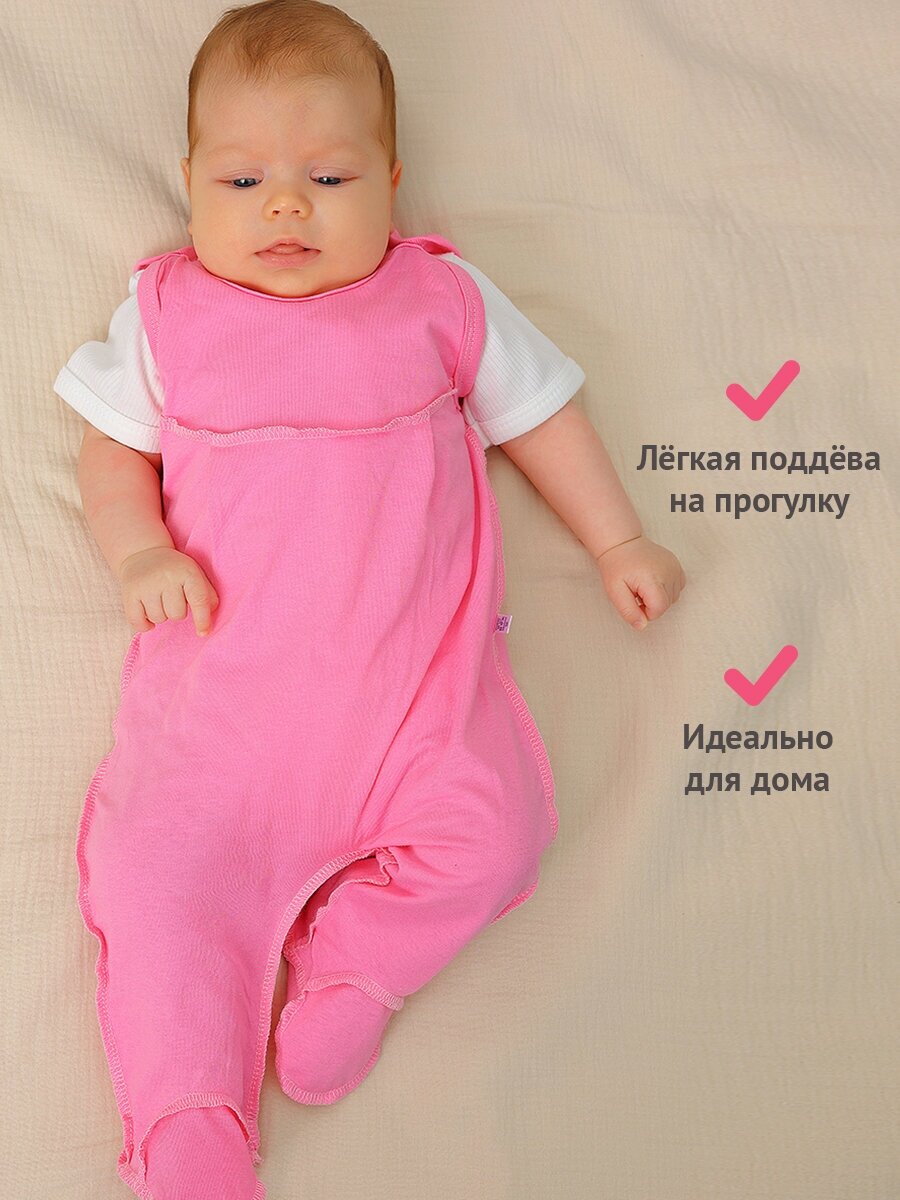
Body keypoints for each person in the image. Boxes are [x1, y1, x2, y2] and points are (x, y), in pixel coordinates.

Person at [54, 2, 686, 1196]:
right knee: (156, 888)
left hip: (411, 716)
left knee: (498, 831)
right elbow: (109, 452)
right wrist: (138, 553)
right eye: (243, 180)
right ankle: (189, 1117)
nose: (285, 207)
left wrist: (618, 540)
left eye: (330, 177)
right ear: (189, 186)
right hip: (218, 734)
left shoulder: (439, 299)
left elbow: (544, 417)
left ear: (392, 185)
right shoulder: (169, 314)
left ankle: (355, 970)